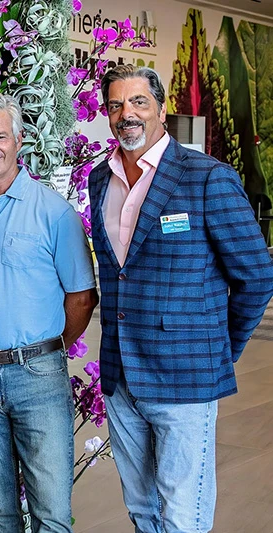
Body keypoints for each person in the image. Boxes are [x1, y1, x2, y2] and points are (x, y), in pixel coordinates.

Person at [89, 65, 273, 532]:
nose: (126, 114)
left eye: (138, 103)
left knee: (182, 515)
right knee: (142, 510)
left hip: (186, 378)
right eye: (115, 105)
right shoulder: (98, 181)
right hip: (121, 377)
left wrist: (218, 350)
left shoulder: (207, 178)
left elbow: (256, 277)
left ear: (161, 108)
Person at [0, 90, 98, 532]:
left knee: (51, 514)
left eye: (0, 136)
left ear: (20, 140)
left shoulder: (54, 212)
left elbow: (82, 297)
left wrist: (46, 352)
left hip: (38, 377)